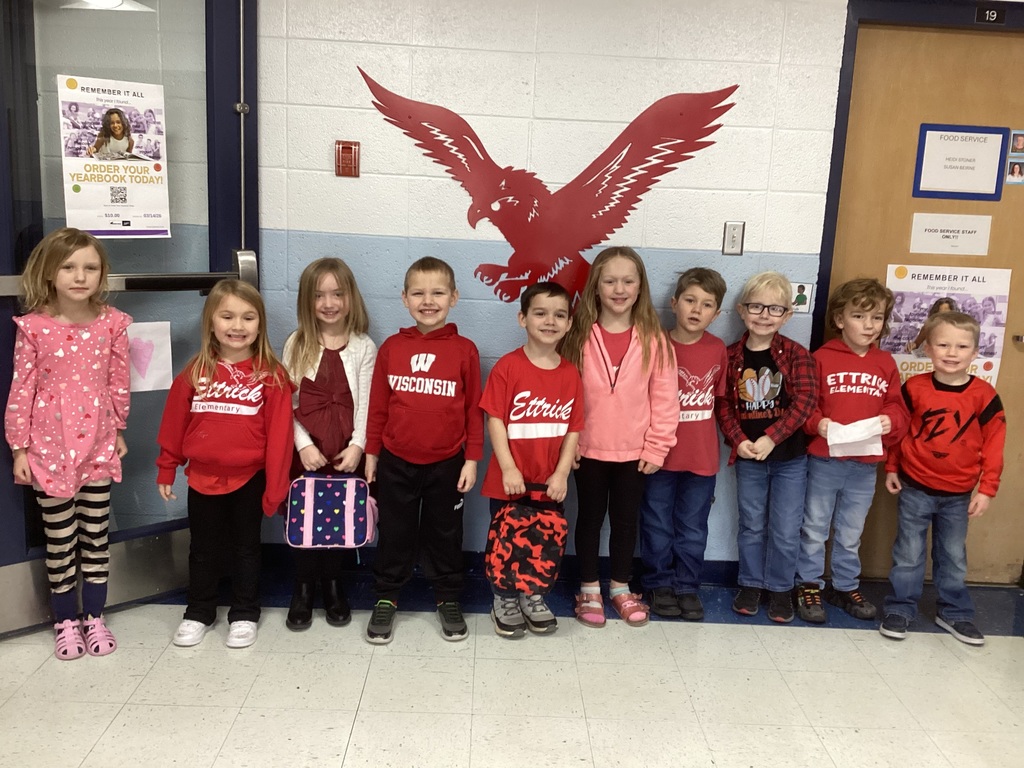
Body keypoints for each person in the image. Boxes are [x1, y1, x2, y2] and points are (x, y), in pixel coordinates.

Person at [4, 227, 131, 660]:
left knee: (95, 534)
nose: (80, 276)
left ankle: (94, 616)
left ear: (102, 275)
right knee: (61, 540)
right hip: (48, 450)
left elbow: (118, 382)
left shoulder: (113, 324)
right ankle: (64, 621)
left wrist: (117, 433)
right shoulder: (34, 327)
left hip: (97, 444)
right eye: (69, 267)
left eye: (90, 268)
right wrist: (19, 448)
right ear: (49, 272)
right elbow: (22, 389)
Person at [156, 280, 294, 650]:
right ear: (211, 322)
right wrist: (167, 467)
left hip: (249, 479)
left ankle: (245, 612)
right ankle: (199, 611)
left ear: (260, 324)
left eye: (248, 317)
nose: (238, 325)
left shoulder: (272, 376)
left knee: (246, 548)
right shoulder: (194, 372)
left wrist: (276, 489)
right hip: (201, 478)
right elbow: (174, 424)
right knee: (202, 548)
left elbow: (281, 439)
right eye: (228, 316)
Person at [363, 256, 483, 644]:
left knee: (445, 533)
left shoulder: (465, 350)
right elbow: (378, 406)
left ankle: (447, 597)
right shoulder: (392, 348)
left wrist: (472, 458)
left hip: (448, 462)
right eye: (418, 292)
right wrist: (372, 453)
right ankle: (386, 597)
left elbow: (472, 410)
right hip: (396, 460)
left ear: (454, 297)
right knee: (395, 531)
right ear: (404, 298)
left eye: (437, 292)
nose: (427, 300)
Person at [559, 246, 678, 628]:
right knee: (590, 519)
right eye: (609, 280)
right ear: (596, 287)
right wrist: (567, 445)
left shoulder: (655, 340)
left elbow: (664, 398)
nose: (619, 288)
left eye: (628, 281)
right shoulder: (577, 335)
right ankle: (590, 587)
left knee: (626, 522)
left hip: (636, 452)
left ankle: (620, 587)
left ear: (641, 288)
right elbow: (562, 393)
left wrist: (658, 446)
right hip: (587, 449)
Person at [880, 312, 1005, 646]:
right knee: (908, 552)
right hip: (915, 485)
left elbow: (994, 445)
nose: (952, 352)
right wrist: (892, 467)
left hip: (959, 493)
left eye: (962, 346)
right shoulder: (915, 388)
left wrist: (988, 488)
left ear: (976, 351)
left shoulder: (985, 396)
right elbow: (899, 432)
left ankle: (954, 612)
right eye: (943, 344)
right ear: (929, 349)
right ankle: (900, 608)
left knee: (952, 555)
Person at [794, 278, 909, 624]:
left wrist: (890, 421)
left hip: (864, 464)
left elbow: (898, 407)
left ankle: (844, 585)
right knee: (814, 526)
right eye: (860, 316)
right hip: (824, 459)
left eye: (877, 319)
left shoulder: (885, 362)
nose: (869, 326)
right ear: (841, 320)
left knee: (851, 530)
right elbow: (804, 407)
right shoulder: (820, 358)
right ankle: (808, 583)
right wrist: (818, 424)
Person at [480, 281, 583, 637]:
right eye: (540, 313)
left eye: (559, 315)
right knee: (506, 541)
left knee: (543, 542)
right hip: (511, 481)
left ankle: (534, 596)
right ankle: (504, 599)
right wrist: (508, 467)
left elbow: (573, 430)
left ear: (569, 323)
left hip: (549, 482)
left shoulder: (570, 374)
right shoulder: (507, 367)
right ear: (523, 318)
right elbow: (495, 418)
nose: (550, 321)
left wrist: (561, 474)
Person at [280, 258, 376, 631]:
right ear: (307, 300)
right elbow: (285, 404)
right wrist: (302, 445)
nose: (329, 302)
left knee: (338, 520)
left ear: (351, 297)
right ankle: (303, 586)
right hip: (308, 450)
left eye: (338, 293)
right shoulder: (297, 343)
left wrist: (358, 446)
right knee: (304, 518)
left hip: (345, 451)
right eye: (319, 295)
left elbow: (369, 402)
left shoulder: (364, 347)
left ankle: (334, 585)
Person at [716, 271, 816, 623]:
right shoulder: (729, 357)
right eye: (756, 306)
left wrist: (771, 437)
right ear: (742, 311)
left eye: (775, 309)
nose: (764, 315)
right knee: (752, 525)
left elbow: (804, 402)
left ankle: (780, 588)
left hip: (789, 459)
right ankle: (751, 584)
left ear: (787, 315)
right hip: (749, 459)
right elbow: (724, 404)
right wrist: (739, 440)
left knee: (786, 529)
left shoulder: (796, 355)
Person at [639, 268, 728, 621]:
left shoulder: (718, 349)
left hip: (702, 459)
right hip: (658, 458)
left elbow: (718, 403)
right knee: (657, 522)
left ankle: (687, 585)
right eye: (690, 300)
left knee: (693, 526)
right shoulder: (654, 343)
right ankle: (658, 583)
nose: (696, 310)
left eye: (707, 305)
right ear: (674, 303)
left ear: (717, 314)